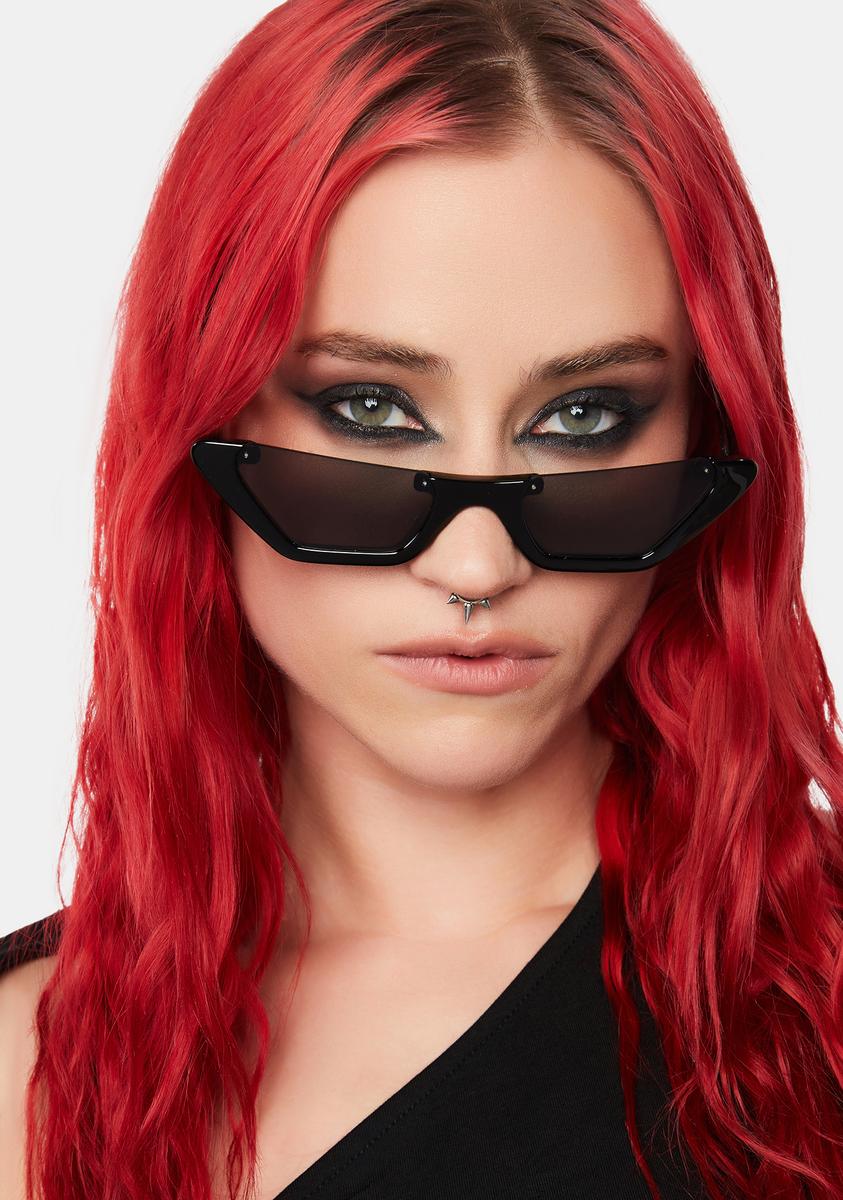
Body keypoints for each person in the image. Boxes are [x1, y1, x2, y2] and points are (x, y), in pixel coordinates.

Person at [1, 1, 841, 1198]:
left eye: (585, 418)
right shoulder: (25, 1067)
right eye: (371, 412)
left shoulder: (819, 1006)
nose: (480, 566)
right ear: (203, 418)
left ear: (708, 434)